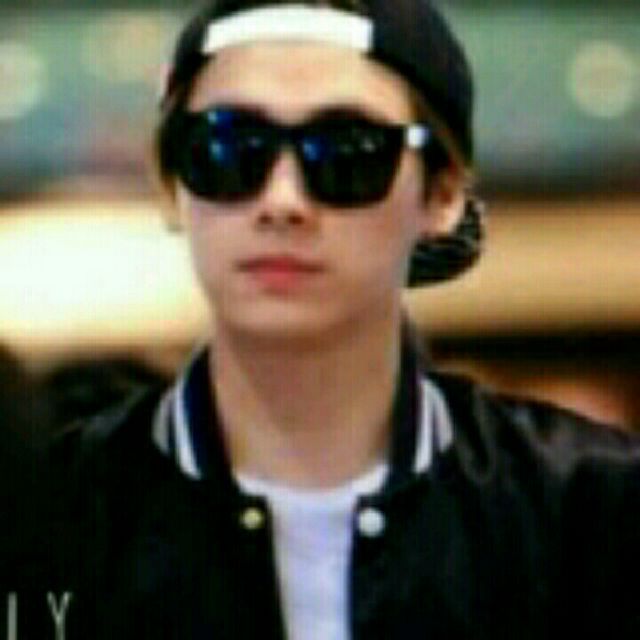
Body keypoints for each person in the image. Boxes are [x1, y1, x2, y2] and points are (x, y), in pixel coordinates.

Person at [45, 1, 640, 638]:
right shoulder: (48, 513)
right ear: (171, 186)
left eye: (348, 153)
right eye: (229, 147)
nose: (282, 201)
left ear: (442, 194)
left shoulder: (593, 508)